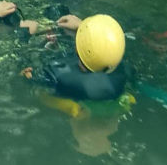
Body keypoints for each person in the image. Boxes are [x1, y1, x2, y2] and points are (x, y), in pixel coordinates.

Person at [18, 13, 134, 156]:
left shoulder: (57, 77)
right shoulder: (123, 73)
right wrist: (84, 29)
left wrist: (24, 35)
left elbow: (25, 75)